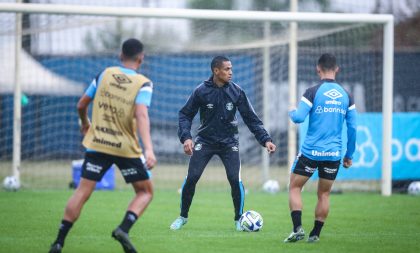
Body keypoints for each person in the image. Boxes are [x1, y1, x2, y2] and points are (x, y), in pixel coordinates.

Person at [48, 38, 156, 253]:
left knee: (82, 192)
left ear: (120, 55)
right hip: (125, 147)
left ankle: (59, 242)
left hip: (97, 143)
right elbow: (141, 114)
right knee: (145, 192)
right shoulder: (143, 83)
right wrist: (149, 149)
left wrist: (85, 122)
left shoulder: (104, 74)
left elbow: (81, 104)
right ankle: (123, 229)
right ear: (141, 58)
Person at [170, 56, 276, 231]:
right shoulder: (201, 91)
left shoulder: (237, 92)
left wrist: (266, 140)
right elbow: (185, 114)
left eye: (231, 68)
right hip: (205, 141)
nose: (231, 72)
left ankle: (238, 220)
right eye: (227, 69)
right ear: (216, 71)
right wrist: (186, 137)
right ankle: (182, 217)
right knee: (192, 178)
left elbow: (251, 119)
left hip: (229, 143)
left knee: (235, 180)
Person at [284, 53, 357, 243]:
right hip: (333, 154)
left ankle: (297, 228)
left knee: (294, 187)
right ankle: (315, 234)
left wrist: (291, 111)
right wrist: (349, 155)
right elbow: (353, 128)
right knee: (324, 193)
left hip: (311, 151)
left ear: (318, 69)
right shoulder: (347, 96)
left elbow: (299, 118)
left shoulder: (313, 91)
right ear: (337, 69)